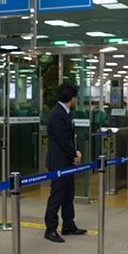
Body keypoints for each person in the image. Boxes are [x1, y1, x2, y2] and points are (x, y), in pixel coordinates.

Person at [44, 83, 86, 243]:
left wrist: (77, 151)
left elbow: (72, 137)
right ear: (72, 98)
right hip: (59, 161)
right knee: (56, 196)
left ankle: (68, 224)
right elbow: (62, 139)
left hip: (67, 160)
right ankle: (50, 228)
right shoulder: (57, 114)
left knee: (68, 195)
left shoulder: (65, 113)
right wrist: (74, 154)